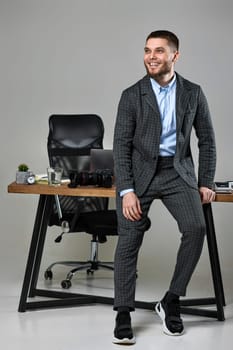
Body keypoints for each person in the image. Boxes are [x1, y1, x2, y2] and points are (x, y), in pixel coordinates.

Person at [112, 30, 216, 345]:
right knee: (129, 239)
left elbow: (207, 140)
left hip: (177, 173)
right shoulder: (132, 94)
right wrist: (126, 190)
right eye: (147, 50)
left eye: (159, 51)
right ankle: (123, 312)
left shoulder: (193, 93)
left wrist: (206, 181)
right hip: (140, 176)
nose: (151, 57)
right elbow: (120, 145)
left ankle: (170, 300)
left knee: (196, 228)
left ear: (175, 56)